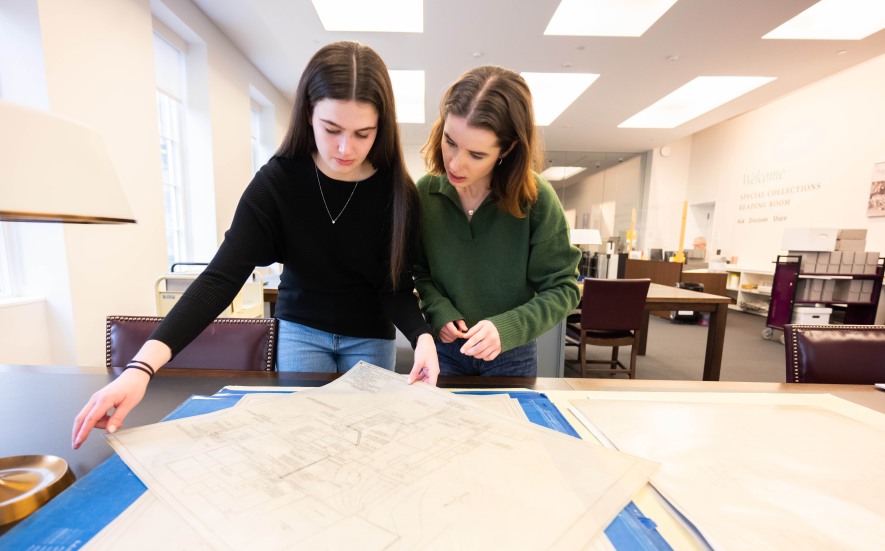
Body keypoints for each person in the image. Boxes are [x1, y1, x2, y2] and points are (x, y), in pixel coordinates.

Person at [73, 41, 439, 449]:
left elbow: (393, 285)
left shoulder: (396, 191)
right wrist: (140, 368)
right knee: (305, 442)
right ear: (308, 115)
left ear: (382, 126)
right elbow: (220, 277)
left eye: (362, 134)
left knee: (367, 441)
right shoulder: (277, 183)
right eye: (331, 129)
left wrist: (422, 337)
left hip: (371, 336)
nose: (344, 149)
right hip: (302, 331)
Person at [408, 66, 581, 378]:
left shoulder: (536, 197)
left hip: (511, 353)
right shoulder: (424, 194)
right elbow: (420, 273)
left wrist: (508, 328)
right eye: (450, 141)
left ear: (507, 149)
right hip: (446, 350)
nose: (455, 163)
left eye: (476, 154)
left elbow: (563, 288)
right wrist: (438, 310)